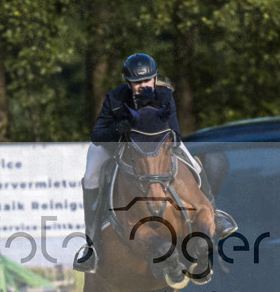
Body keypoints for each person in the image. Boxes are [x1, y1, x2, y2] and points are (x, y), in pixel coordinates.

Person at [74, 52, 237, 272]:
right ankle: (92, 246)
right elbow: (97, 135)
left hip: (158, 146)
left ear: (155, 77)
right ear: (128, 84)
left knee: (195, 165)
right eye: (137, 83)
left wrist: (160, 140)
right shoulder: (114, 99)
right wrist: (118, 129)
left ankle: (214, 214)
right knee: (92, 177)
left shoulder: (164, 95)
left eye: (147, 80)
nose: (143, 86)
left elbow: (175, 132)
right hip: (114, 145)